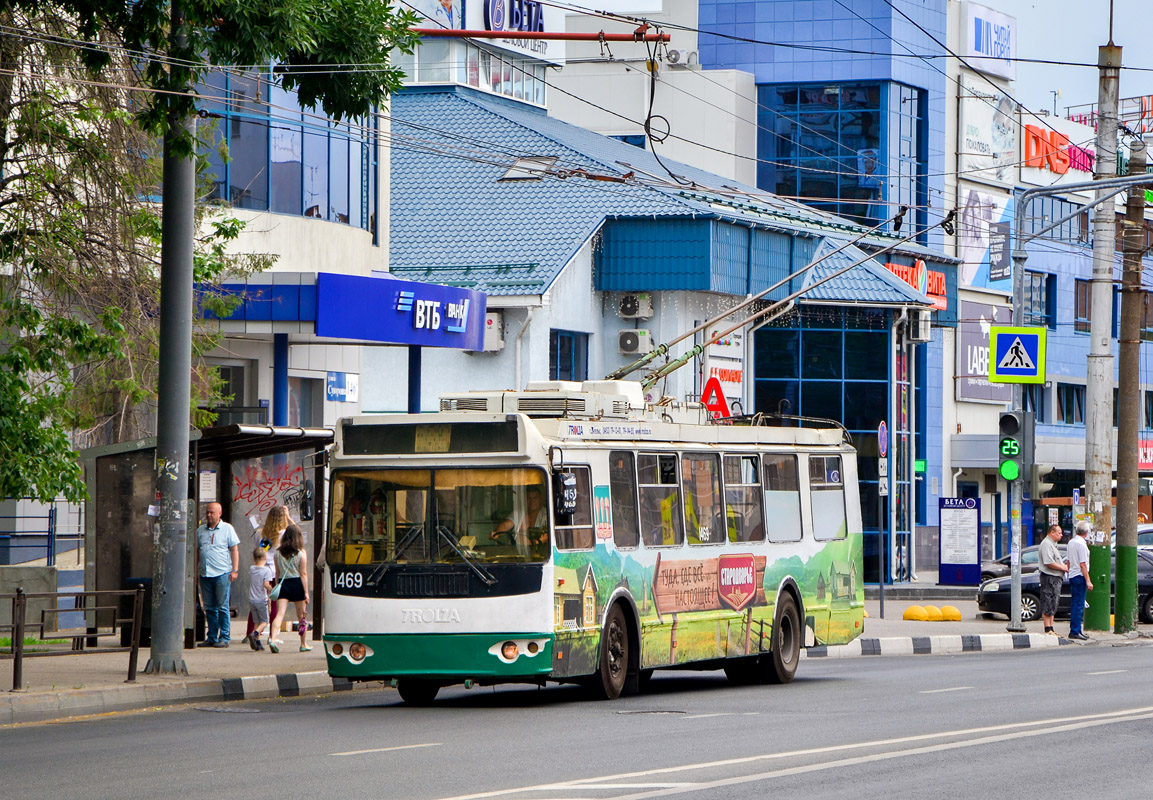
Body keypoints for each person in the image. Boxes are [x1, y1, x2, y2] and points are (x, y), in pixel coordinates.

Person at [244, 505, 293, 644]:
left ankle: (251, 632)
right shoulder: (284, 533)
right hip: (275, 572)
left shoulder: (262, 534)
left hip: (261, 570)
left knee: (257, 603)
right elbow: (297, 533)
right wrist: (289, 517)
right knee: (275, 605)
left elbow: (260, 551)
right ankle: (272, 636)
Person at [196, 502, 240, 647]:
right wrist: (197, 571)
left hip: (222, 573)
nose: (209, 515)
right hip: (205, 573)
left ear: (219, 513)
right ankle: (212, 636)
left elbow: (234, 549)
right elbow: (198, 551)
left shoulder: (227, 529)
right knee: (209, 607)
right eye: (207, 512)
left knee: (222, 606)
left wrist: (235, 569)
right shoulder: (200, 531)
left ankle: (225, 637)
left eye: (212, 512)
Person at [268, 524, 311, 653]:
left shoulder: (277, 553)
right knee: (301, 617)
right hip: (297, 584)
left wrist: (277, 585)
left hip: (282, 583)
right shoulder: (301, 553)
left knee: (280, 614)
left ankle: (273, 638)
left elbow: (277, 572)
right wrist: (306, 592)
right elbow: (303, 573)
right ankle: (303, 644)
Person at [1037, 524, 1068, 636]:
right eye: (1059, 532)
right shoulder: (1046, 544)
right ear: (1052, 533)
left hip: (1056, 577)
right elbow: (1049, 562)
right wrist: (1063, 567)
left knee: (1054, 602)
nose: (1061, 535)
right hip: (1049, 577)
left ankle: (1051, 627)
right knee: (1048, 601)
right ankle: (1047, 628)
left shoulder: (1053, 545)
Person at [1066, 520, 1094, 641]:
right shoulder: (1082, 545)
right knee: (1078, 604)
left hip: (1072, 574)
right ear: (1086, 532)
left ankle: (1076, 629)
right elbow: (1083, 564)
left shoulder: (1071, 542)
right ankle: (1075, 630)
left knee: (1075, 603)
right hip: (1079, 575)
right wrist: (1088, 580)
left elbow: (1068, 561)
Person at [247, 548, 274, 651]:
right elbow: (266, 585)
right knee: (265, 621)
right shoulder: (267, 571)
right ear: (265, 557)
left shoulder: (252, 568)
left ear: (254, 558)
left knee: (257, 621)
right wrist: (273, 589)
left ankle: (257, 643)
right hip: (261, 599)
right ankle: (255, 634)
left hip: (252, 599)